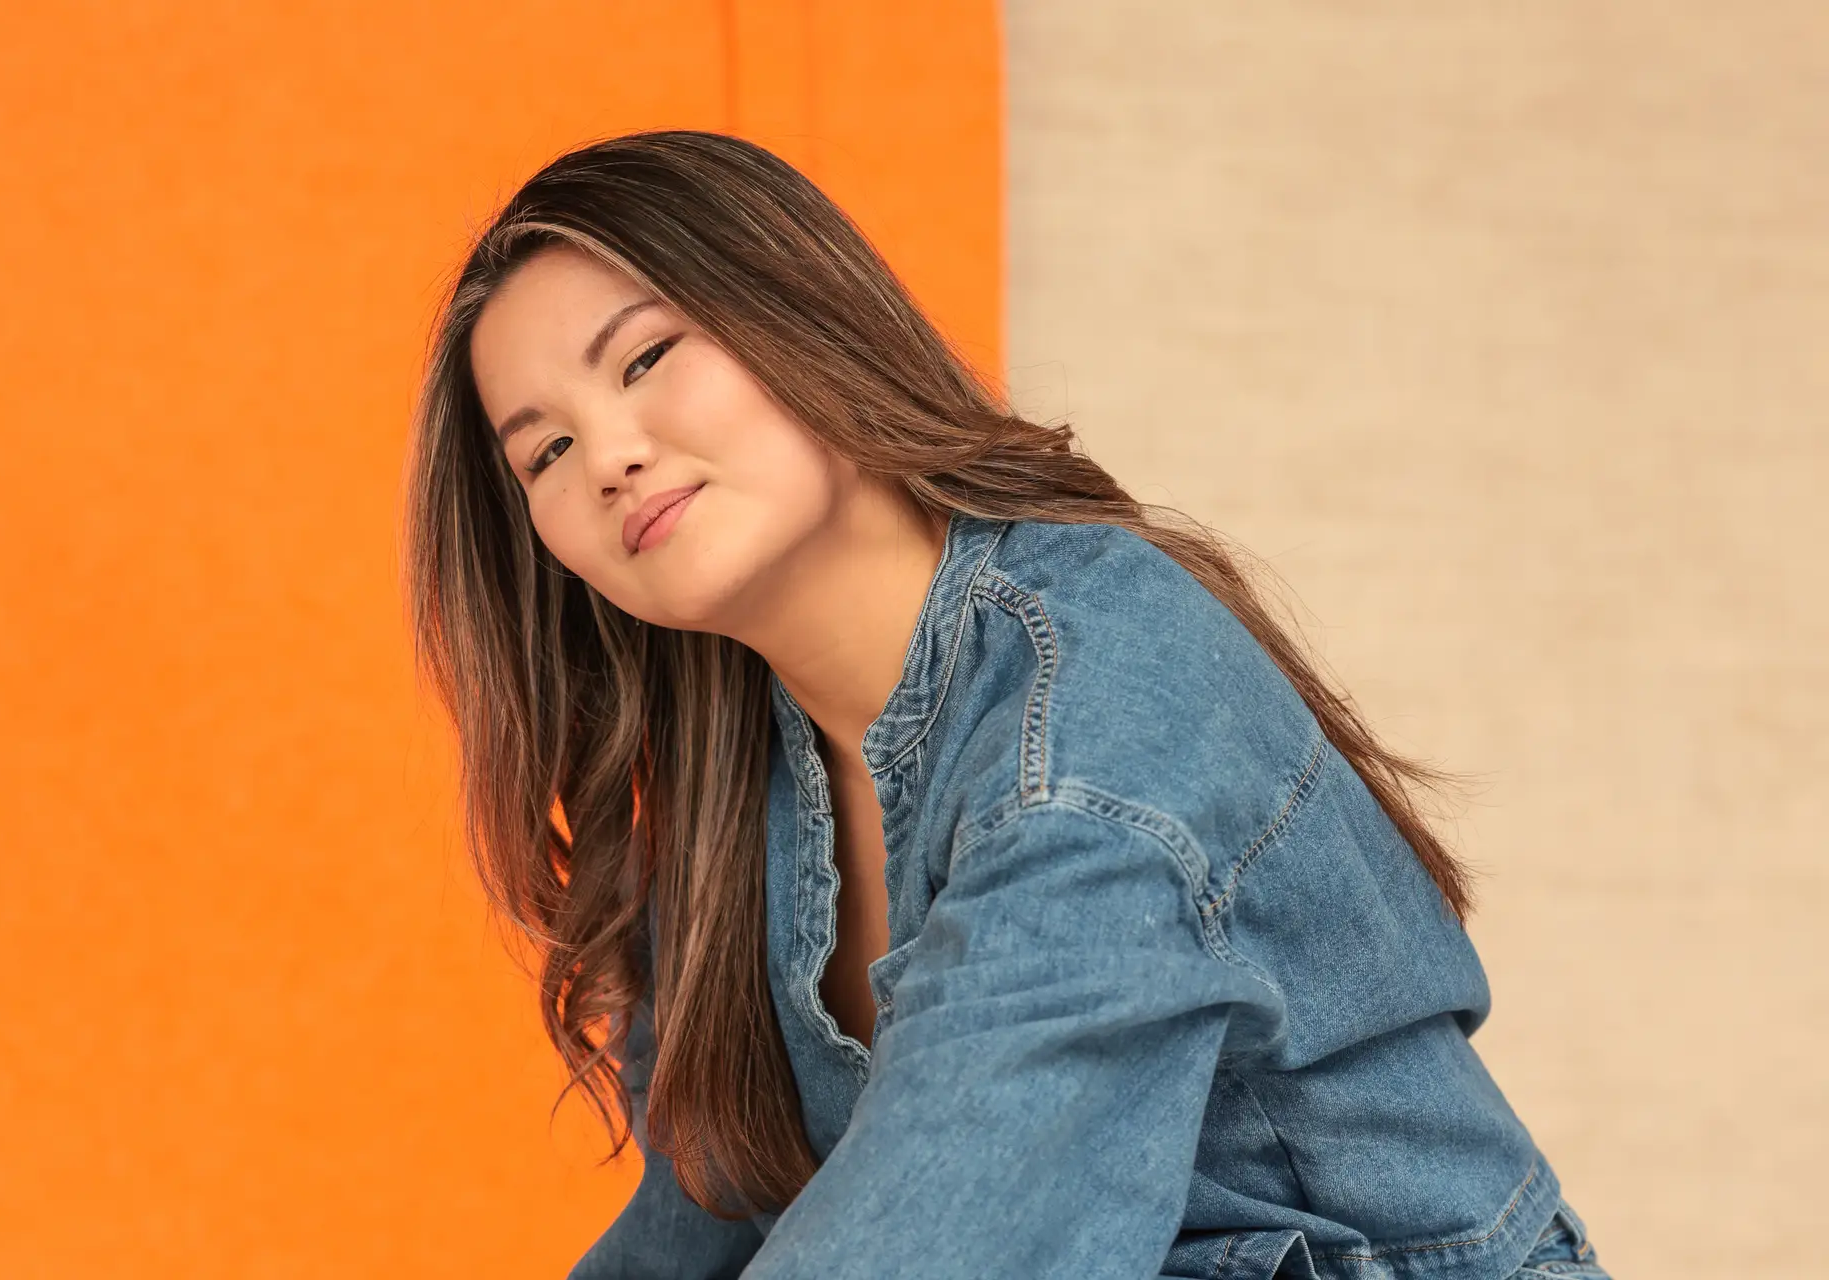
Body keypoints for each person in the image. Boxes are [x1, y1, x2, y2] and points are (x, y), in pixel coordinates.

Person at [400, 128, 1611, 1279]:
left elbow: (939, 1238)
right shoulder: (738, 785)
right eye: (543, 451)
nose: (607, 452)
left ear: (796, 310)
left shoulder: (1099, 724)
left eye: (646, 357)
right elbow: (712, 1214)